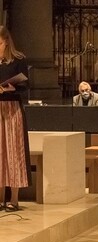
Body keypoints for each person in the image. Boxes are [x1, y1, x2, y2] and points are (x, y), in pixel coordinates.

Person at [0, 26, 32, 212]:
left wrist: (12, 88)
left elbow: (25, 85)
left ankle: (14, 199)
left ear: (6, 41)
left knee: (13, 152)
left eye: (0, 43)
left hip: (12, 109)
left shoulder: (18, 59)